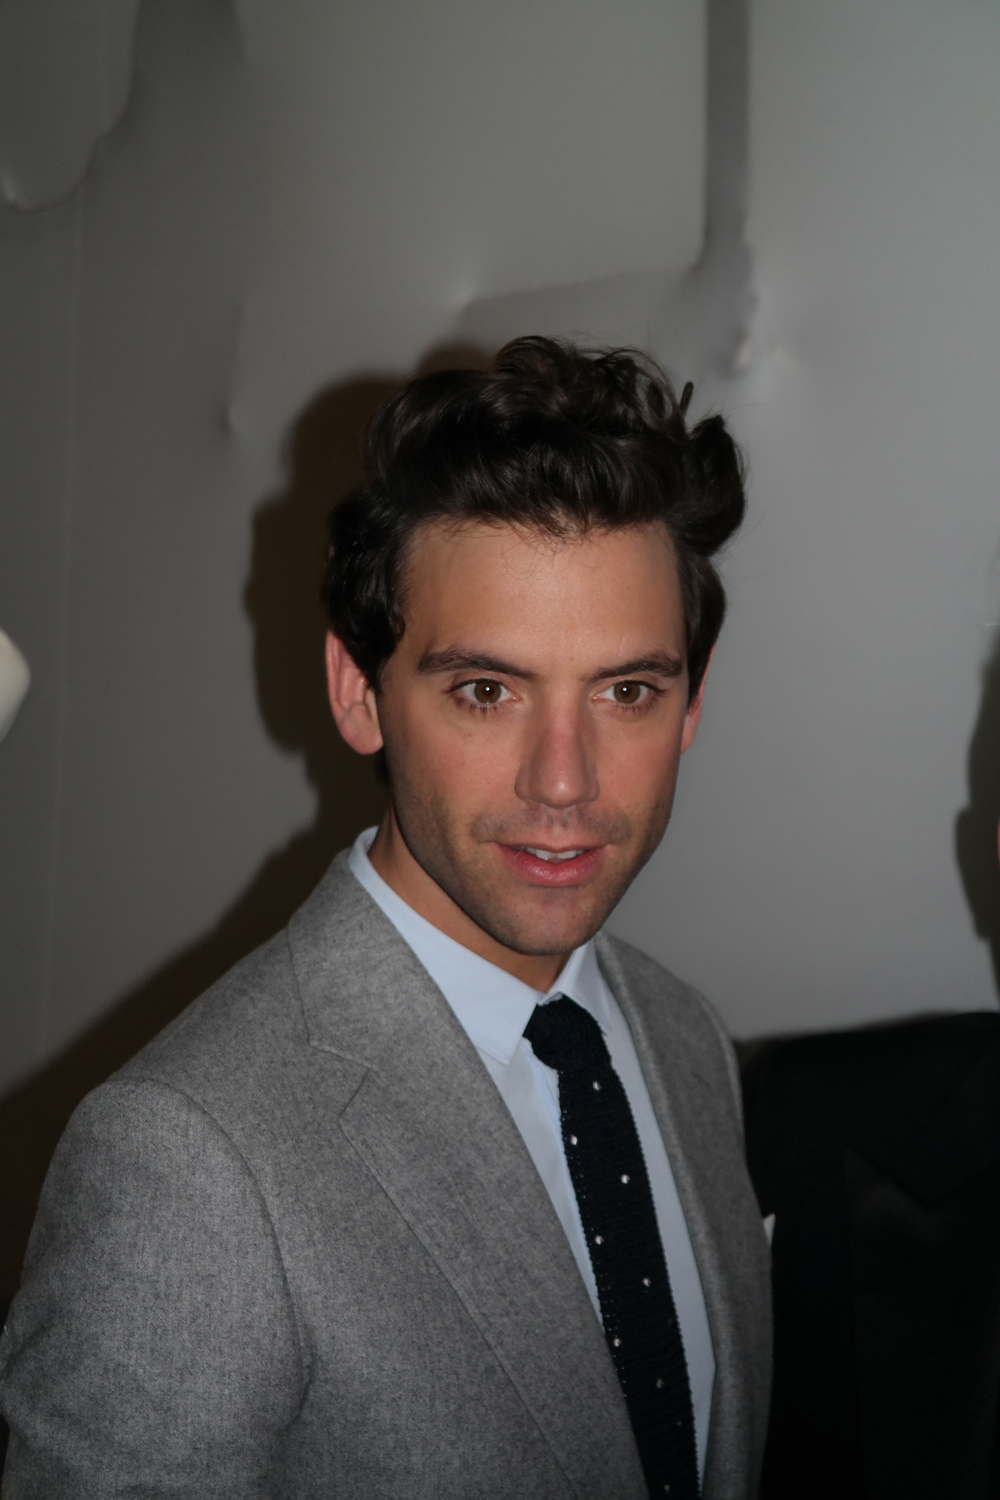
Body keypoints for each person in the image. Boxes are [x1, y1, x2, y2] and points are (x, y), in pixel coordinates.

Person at [0, 338, 771, 1498]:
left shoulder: (685, 1038)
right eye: (485, 691)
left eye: (626, 691)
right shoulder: (183, 1162)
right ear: (358, 694)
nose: (563, 781)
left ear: (692, 703)